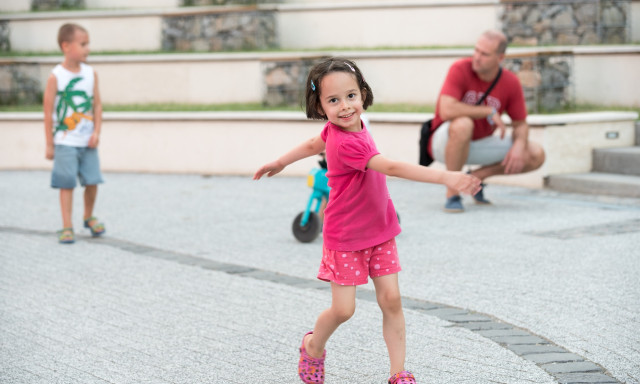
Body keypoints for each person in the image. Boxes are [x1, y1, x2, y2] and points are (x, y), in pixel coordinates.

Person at [253, 58, 481, 384]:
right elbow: (391, 168)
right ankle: (312, 345)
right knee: (344, 310)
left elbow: (313, 143)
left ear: (362, 94)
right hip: (346, 237)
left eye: (350, 96)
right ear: (319, 106)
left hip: (380, 230)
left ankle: (399, 373)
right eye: (333, 101)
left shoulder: (357, 123)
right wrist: (448, 177)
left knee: (391, 300)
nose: (345, 107)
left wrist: (281, 161)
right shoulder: (347, 142)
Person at [428, 30, 545, 213]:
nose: (477, 57)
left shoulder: (510, 82)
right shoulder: (460, 69)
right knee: (463, 124)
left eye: (484, 54)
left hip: (479, 144)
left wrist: (520, 144)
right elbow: (446, 109)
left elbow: (520, 123)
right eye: (476, 50)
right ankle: (453, 193)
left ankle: (475, 178)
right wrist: (487, 111)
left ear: (500, 58)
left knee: (536, 153)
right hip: (443, 143)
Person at [43, 23, 105, 244]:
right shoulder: (56, 76)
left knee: (92, 180)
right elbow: (48, 110)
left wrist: (97, 132)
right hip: (65, 141)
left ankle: (88, 216)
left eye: (88, 43)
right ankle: (66, 225)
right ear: (66, 46)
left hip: (87, 141)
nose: (88, 48)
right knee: (66, 183)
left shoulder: (90, 73)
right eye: (83, 44)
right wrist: (50, 143)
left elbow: (97, 105)